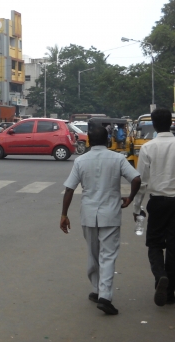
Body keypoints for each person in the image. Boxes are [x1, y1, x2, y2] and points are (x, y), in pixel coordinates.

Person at [60, 125, 141, 315]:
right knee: (108, 256)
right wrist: (130, 198)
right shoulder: (118, 158)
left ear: (88, 140)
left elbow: (70, 189)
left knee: (93, 254)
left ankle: (97, 290)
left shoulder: (81, 161)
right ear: (108, 140)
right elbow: (136, 179)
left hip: (88, 214)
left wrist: (64, 214)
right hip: (110, 214)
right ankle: (105, 296)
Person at [133, 108, 175, 306]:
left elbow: (141, 182)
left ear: (155, 126)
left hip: (157, 201)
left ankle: (160, 276)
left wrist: (137, 207)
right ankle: (170, 293)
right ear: (171, 123)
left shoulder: (148, 148)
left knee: (155, 244)